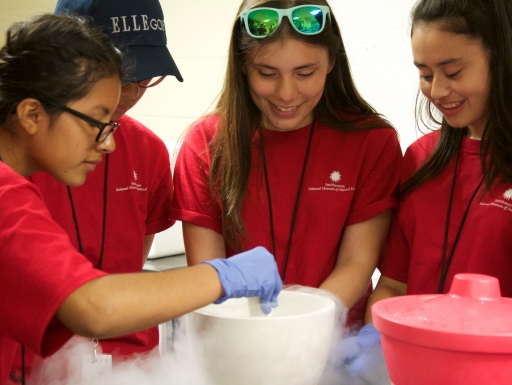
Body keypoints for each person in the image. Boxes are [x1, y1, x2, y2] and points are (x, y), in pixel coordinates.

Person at [0, 13, 281, 384]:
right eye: (98, 122)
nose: (109, 142)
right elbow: (94, 307)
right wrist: (223, 275)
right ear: (32, 114)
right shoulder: (7, 195)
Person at [171, 0, 402, 329]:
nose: (286, 93)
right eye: (267, 73)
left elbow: (357, 261)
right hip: (237, 336)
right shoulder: (206, 144)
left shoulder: (372, 142)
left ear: (331, 62)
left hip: (332, 340)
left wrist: (302, 331)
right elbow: (209, 272)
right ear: (242, 66)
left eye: (305, 73)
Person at [342, 0, 512, 380]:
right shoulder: (420, 160)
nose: (437, 90)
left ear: (502, 59)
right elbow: (392, 285)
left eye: (452, 71)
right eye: (424, 73)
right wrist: (375, 337)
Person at [23, 0, 181, 364]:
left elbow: (131, 273)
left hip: (131, 361)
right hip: (35, 361)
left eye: (149, 77)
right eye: (125, 78)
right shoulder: (15, 167)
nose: (135, 92)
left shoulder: (149, 153)